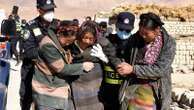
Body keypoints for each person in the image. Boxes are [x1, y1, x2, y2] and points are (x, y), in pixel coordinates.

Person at [117, 12, 176, 110]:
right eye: (141, 32)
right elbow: (126, 57)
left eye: (146, 34)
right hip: (133, 87)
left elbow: (159, 70)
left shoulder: (168, 44)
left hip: (155, 89)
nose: (143, 36)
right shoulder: (135, 39)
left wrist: (133, 69)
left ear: (157, 30)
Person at [19, 0, 60, 109]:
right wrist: (49, 52)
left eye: (52, 9)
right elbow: (28, 51)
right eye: (47, 10)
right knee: (26, 98)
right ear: (39, 10)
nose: (50, 12)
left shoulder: (58, 25)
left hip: (51, 72)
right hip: (31, 69)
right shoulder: (30, 26)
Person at [97, 12, 135, 110]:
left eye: (127, 30)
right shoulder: (108, 40)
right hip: (107, 89)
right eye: (121, 29)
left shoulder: (135, 44)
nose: (123, 33)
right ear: (116, 26)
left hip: (125, 89)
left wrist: (107, 60)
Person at [69, 21, 104, 110]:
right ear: (80, 35)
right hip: (76, 89)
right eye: (85, 38)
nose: (87, 41)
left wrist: (103, 57)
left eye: (91, 39)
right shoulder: (71, 46)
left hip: (94, 88)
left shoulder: (98, 48)